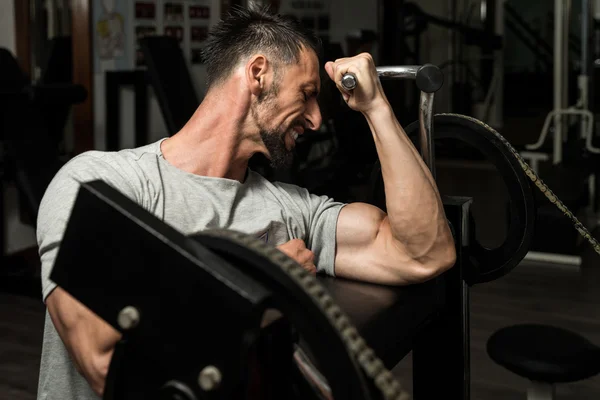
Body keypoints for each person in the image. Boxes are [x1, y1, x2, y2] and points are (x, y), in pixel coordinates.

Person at [35, 7, 456, 400]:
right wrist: (259, 281)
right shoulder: (101, 182)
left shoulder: (291, 209)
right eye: (307, 93)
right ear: (258, 74)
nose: (316, 119)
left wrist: (376, 108)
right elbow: (102, 361)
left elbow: (423, 254)